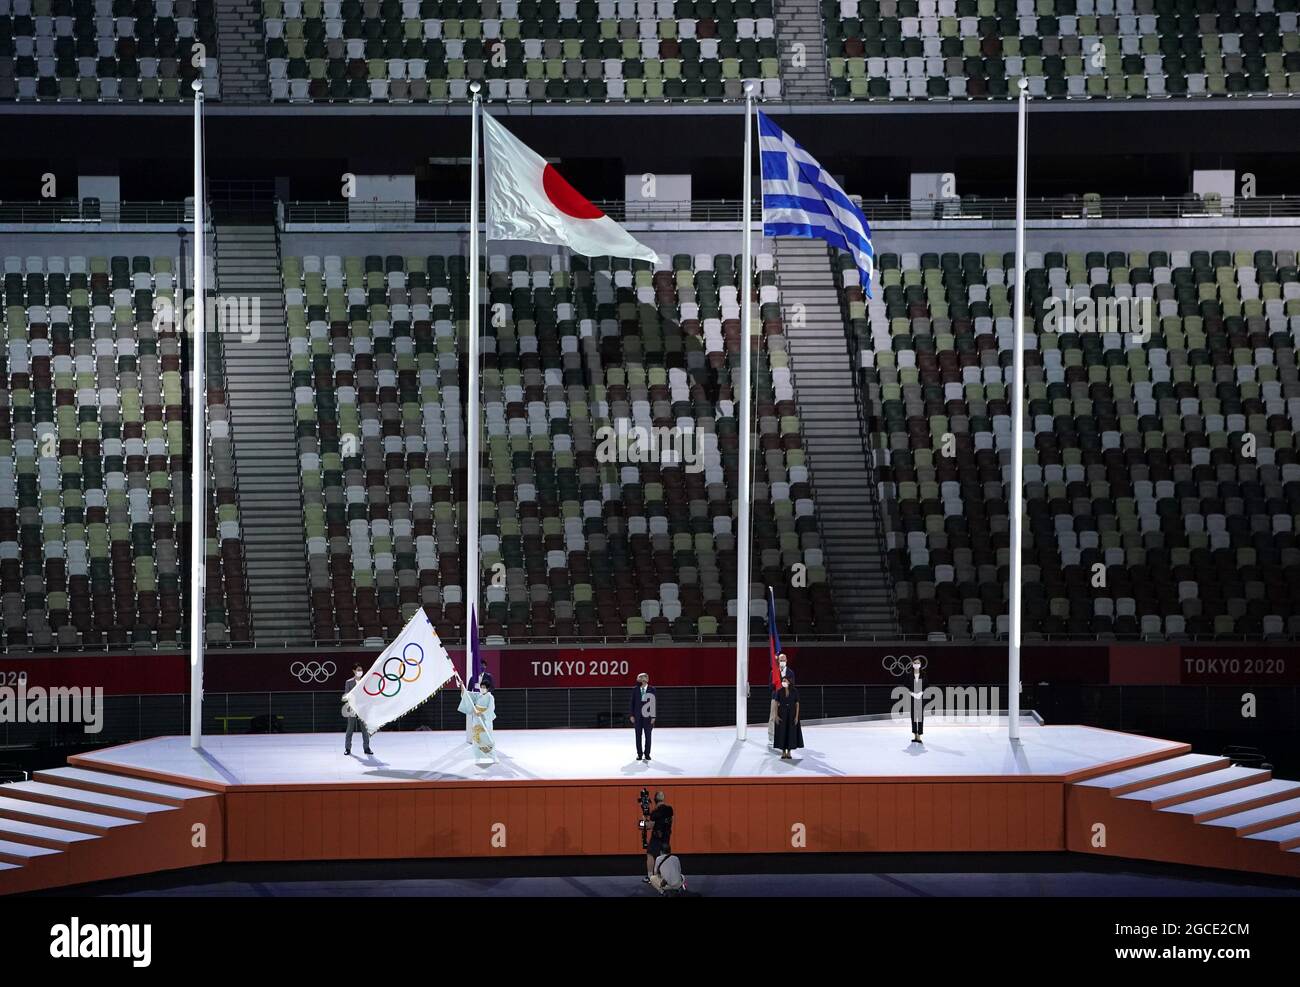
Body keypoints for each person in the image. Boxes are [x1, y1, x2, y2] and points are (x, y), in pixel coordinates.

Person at [458, 671, 497, 764]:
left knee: (488, 738)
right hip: (477, 720)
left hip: (485, 720)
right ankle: (477, 757)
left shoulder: (490, 697)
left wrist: (482, 713)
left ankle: (493, 756)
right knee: (477, 739)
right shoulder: (477, 695)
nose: (482, 689)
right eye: (481, 687)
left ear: (487, 689)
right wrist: (462, 686)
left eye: (484, 687)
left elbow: (491, 709)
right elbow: (466, 695)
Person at [342, 663, 373, 756]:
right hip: (352, 709)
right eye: (358, 670)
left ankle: (366, 748)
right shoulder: (349, 682)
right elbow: (346, 695)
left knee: (365, 730)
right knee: (350, 729)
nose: (360, 671)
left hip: (363, 709)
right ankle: (347, 748)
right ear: (354, 671)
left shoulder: (365, 681)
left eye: (361, 670)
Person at [643, 790, 673, 883]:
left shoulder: (655, 812)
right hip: (667, 835)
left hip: (657, 836)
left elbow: (649, 826)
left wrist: (645, 820)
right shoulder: (669, 809)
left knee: (650, 854)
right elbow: (670, 821)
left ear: (655, 799)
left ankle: (650, 877)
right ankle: (665, 876)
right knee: (664, 855)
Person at [768, 652, 794, 747]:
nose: (782, 661)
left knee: (786, 718)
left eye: (784, 660)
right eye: (780, 660)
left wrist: (787, 685)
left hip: (786, 699)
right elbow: (770, 687)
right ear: (778, 661)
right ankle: (771, 737)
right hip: (775, 698)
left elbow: (793, 686)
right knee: (773, 717)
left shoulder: (790, 673)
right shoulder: (773, 673)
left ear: (786, 661)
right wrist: (776, 684)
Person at [773, 675, 803, 759]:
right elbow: (776, 703)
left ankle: (789, 752)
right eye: (783, 681)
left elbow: (797, 704)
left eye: (785, 681)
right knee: (782, 732)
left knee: (791, 733)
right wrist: (776, 715)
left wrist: (796, 717)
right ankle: (783, 752)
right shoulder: (779, 691)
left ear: (789, 682)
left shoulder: (794, 691)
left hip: (792, 714)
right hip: (782, 714)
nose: (783, 682)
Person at [628, 672, 656, 762]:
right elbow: (632, 703)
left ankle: (647, 754)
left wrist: (653, 716)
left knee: (648, 736)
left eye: (640, 678)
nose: (638, 680)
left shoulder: (652, 689)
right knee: (638, 736)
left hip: (648, 717)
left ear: (645, 679)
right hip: (637, 717)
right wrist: (631, 715)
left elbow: (653, 704)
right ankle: (639, 754)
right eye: (638, 678)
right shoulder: (635, 689)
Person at [907, 657, 925, 744]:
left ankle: (919, 736)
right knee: (914, 717)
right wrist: (912, 694)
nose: (916, 664)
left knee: (920, 717)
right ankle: (915, 735)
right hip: (913, 697)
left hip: (920, 698)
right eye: (915, 663)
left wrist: (921, 692)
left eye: (918, 663)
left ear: (920, 664)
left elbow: (927, 685)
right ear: (913, 664)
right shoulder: (909, 674)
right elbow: (906, 686)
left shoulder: (924, 674)